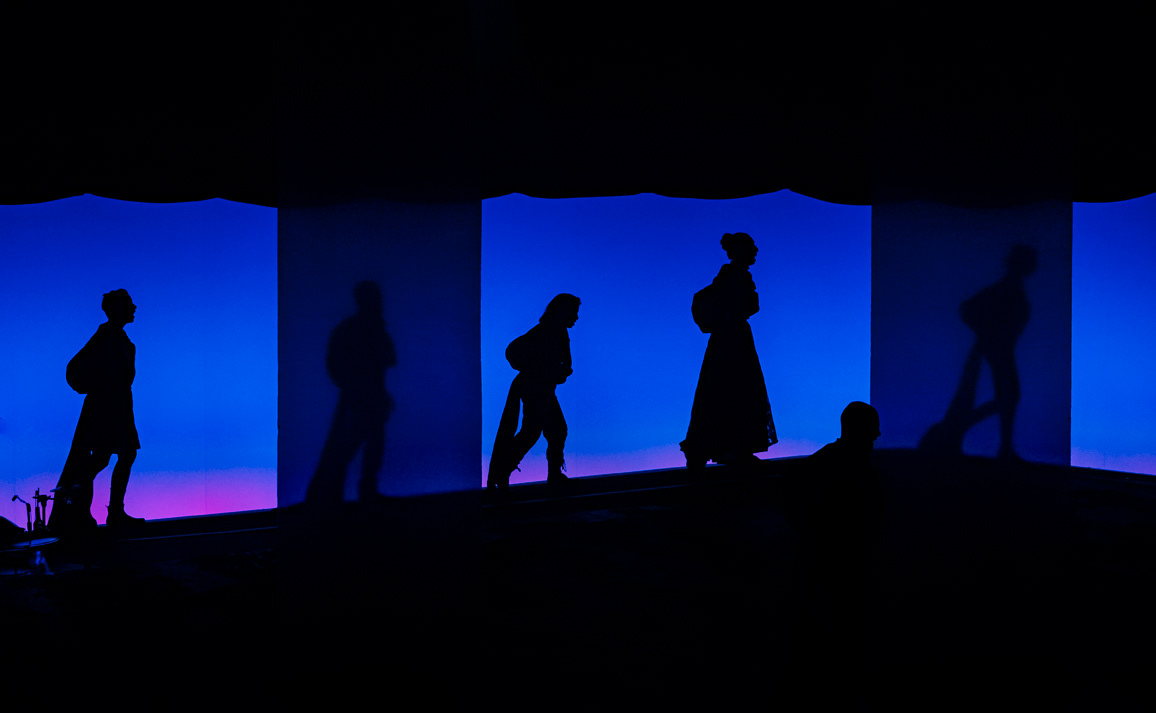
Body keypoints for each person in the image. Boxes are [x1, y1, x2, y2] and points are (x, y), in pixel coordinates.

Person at [920, 245, 1037, 459]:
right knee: (1008, 395)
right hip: (998, 349)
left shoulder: (1010, 288)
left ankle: (988, 439)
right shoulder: (1005, 289)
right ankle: (979, 436)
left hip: (1000, 348)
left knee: (1008, 396)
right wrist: (988, 333)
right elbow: (967, 309)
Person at [680, 232, 776, 473]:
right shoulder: (732, 275)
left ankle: (735, 448)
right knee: (729, 388)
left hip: (734, 338)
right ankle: (727, 448)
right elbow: (740, 303)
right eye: (751, 247)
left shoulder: (736, 275)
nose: (755, 252)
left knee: (734, 390)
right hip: (731, 340)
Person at [49, 289, 144, 533]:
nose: (134, 308)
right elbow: (75, 367)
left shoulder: (122, 340)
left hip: (120, 405)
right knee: (104, 458)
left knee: (123, 455)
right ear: (115, 309)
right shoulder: (106, 335)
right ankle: (81, 509)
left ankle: (111, 512)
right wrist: (96, 388)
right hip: (106, 408)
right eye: (129, 304)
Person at [307, 281, 397, 504]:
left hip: (368, 397)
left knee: (368, 444)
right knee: (350, 445)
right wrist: (355, 387)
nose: (380, 302)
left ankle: (355, 492)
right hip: (359, 399)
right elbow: (337, 365)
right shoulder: (356, 328)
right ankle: (335, 494)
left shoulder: (368, 327)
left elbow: (388, 358)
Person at [487, 293, 580, 491]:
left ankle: (505, 472)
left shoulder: (556, 331)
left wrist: (559, 371)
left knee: (547, 431)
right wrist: (550, 370)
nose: (576, 317)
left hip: (540, 387)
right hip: (536, 387)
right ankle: (504, 472)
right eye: (574, 312)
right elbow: (516, 351)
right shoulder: (549, 330)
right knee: (540, 431)